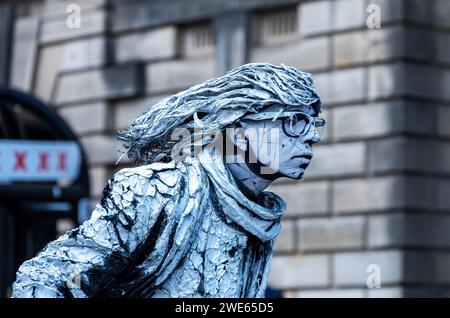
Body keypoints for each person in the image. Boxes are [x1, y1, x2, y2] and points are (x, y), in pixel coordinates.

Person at [12, 63, 325, 298]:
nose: (311, 137)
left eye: (314, 125)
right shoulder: (156, 192)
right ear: (239, 132)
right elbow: (45, 279)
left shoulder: (260, 216)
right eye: (293, 121)